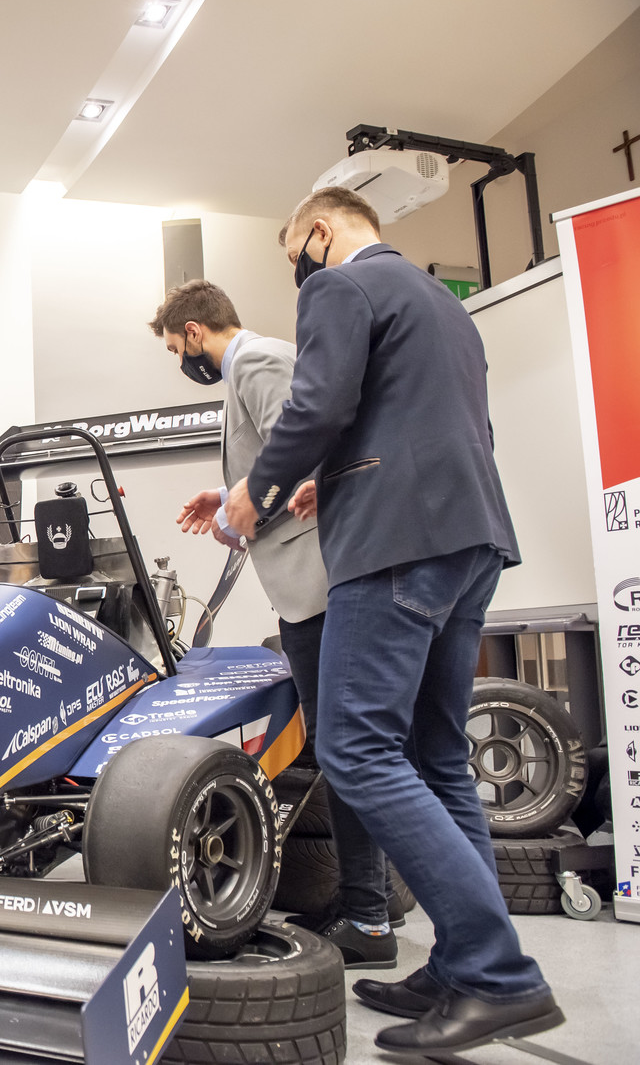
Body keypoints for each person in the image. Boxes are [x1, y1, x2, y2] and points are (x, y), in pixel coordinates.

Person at [224, 186, 558, 1054]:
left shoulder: (340, 285)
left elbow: (318, 405)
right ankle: (459, 962)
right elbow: (421, 421)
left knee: (356, 749)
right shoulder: (442, 305)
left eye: (294, 253)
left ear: (320, 231)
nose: (298, 270)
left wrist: (259, 489)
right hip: (469, 536)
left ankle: (498, 973)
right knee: (438, 756)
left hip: (396, 544)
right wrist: (324, 481)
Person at [151, 280, 394, 969]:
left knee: (348, 748)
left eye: (175, 349)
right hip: (308, 585)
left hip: (321, 581)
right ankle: (367, 899)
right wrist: (227, 495)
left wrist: (242, 511)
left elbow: (308, 456)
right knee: (345, 746)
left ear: (194, 332)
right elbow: (275, 459)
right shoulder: (248, 372)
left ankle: (370, 915)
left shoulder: (257, 361)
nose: (179, 361)